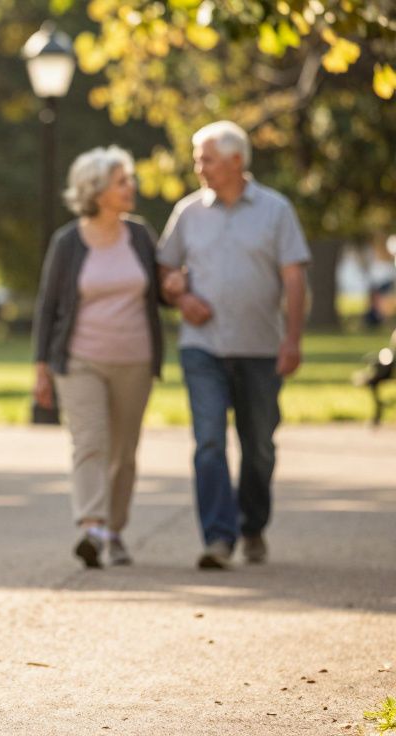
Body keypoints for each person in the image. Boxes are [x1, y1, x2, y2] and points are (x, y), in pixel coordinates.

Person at [157, 120, 311, 570]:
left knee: (259, 446)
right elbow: (165, 272)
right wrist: (180, 296)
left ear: (236, 161)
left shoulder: (276, 210)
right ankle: (218, 538)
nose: (197, 167)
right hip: (202, 347)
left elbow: (294, 277)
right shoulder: (188, 212)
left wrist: (293, 339)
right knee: (208, 441)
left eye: (205, 158)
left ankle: (253, 526)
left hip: (261, 348)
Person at [32, 146, 165, 569]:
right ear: (97, 190)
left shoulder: (141, 236)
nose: (131, 188)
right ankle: (92, 526)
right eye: (122, 181)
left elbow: (162, 290)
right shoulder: (68, 242)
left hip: (136, 359)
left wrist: (180, 286)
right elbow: (48, 305)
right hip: (80, 359)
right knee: (90, 443)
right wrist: (41, 368)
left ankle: (115, 530)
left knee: (124, 452)